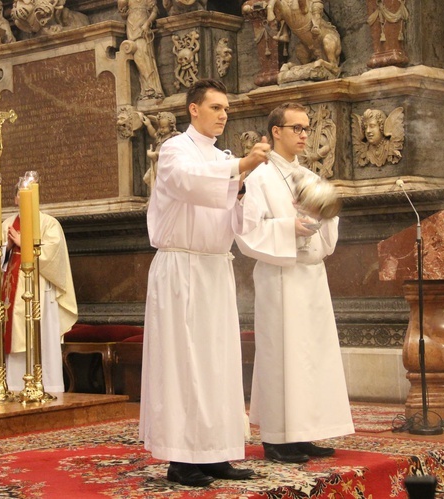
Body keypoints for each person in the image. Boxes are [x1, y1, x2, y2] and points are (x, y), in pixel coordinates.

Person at [139, 79, 271, 487]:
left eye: (226, 108)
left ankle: (217, 452)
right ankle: (182, 458)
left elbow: (239, 218)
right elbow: (188, 181)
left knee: (219, 362)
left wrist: (243, 189)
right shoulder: (176, 148)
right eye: (215, 107)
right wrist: (241, 168)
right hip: (181, 267)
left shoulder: (224, 157)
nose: (223, 114)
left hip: (215, 267)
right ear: (193, 109)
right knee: (183, 362)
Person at [235, 102, 354, 464]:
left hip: (311, 274)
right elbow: (247, 231)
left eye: (307, 128)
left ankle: (304, 433)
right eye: (297, 128)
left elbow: (327, 221)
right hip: (280, 275)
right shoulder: (259, 177)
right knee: (281, 354)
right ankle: (276, 437)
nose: (305, 135)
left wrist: (323, 216)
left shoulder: (310, 177)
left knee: (311, 355)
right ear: (276, 132)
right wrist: (288, 228)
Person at [0, 185, 78, 393]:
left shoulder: (49, 224)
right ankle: (13, 386)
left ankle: (46, 385)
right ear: (15, 199)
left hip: (40, 291)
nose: (25, 198)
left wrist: (26, 244)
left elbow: (54, 255)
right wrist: (9, 248)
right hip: (12, 291)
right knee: (15, 335)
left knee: (41, 337)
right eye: (21, 195)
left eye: (30, 194)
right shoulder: (7, 224)